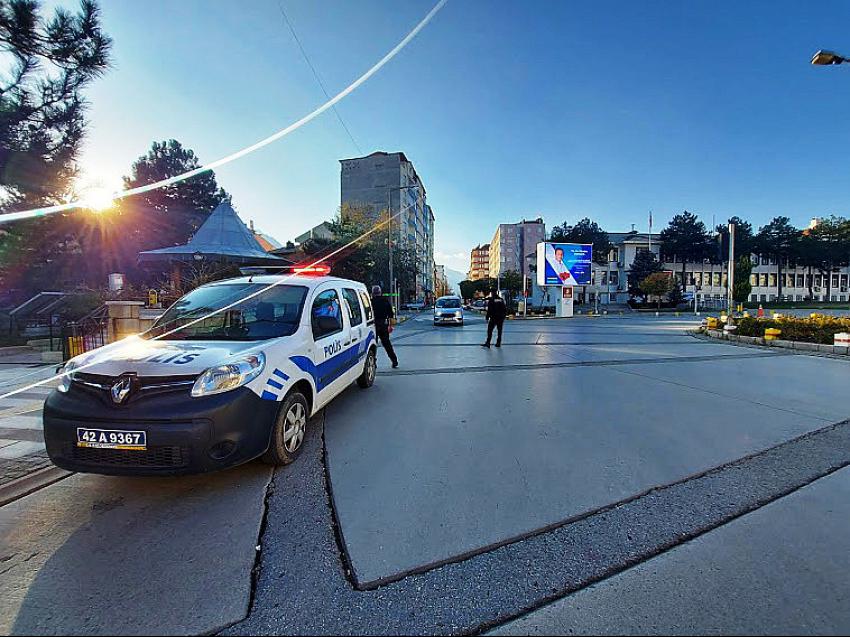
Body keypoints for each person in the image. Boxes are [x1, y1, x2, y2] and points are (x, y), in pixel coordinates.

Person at [371, 285, 398, 368]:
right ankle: (394, 360)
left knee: (372, 345)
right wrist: (391, 326)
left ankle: (372, 362)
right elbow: (391, 314)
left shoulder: (370, 302)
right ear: (380, 292)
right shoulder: (385, 301)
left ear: (373, 293)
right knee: (387, 344)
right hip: (383, 324)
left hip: (373, 325)